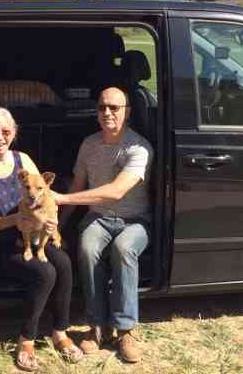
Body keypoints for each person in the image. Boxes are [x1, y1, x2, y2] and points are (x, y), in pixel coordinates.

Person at [0, 107, 83, 372]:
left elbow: (46, 194)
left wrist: (52, 218)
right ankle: (26, 339)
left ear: (14, 133)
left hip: (34, 236)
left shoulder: (22, 159)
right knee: (45, 272)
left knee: (64, 263)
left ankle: (60, 331)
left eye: (5, 131)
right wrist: (14, 221)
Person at [53, 87, 153, 364]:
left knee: (123, 249)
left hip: (135, 220)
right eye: (102, 107)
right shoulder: (89, 144)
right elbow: (77, 185)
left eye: (114, 108)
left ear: (127, 112)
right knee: (86, 247)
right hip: (98, 217)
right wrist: (58, 224)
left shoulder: (140, 147)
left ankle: (125, 330)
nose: (107, 113)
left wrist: (62, 197)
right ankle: (96, 326)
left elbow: (116, 191)